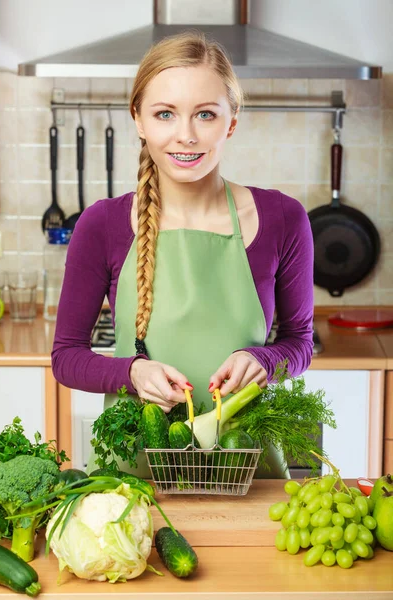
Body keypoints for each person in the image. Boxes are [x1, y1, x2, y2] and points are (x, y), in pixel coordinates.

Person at [52, 31, 314, 478]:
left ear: (231, 121)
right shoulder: (102, 225)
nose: (186, 136)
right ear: (138, 119)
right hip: (136, 474)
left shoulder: (284, 218)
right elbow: (66, 356)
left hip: (246, 462)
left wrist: (264, 360)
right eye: (165, 114)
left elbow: (300, 342)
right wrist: (131, 373)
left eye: (205, 114)